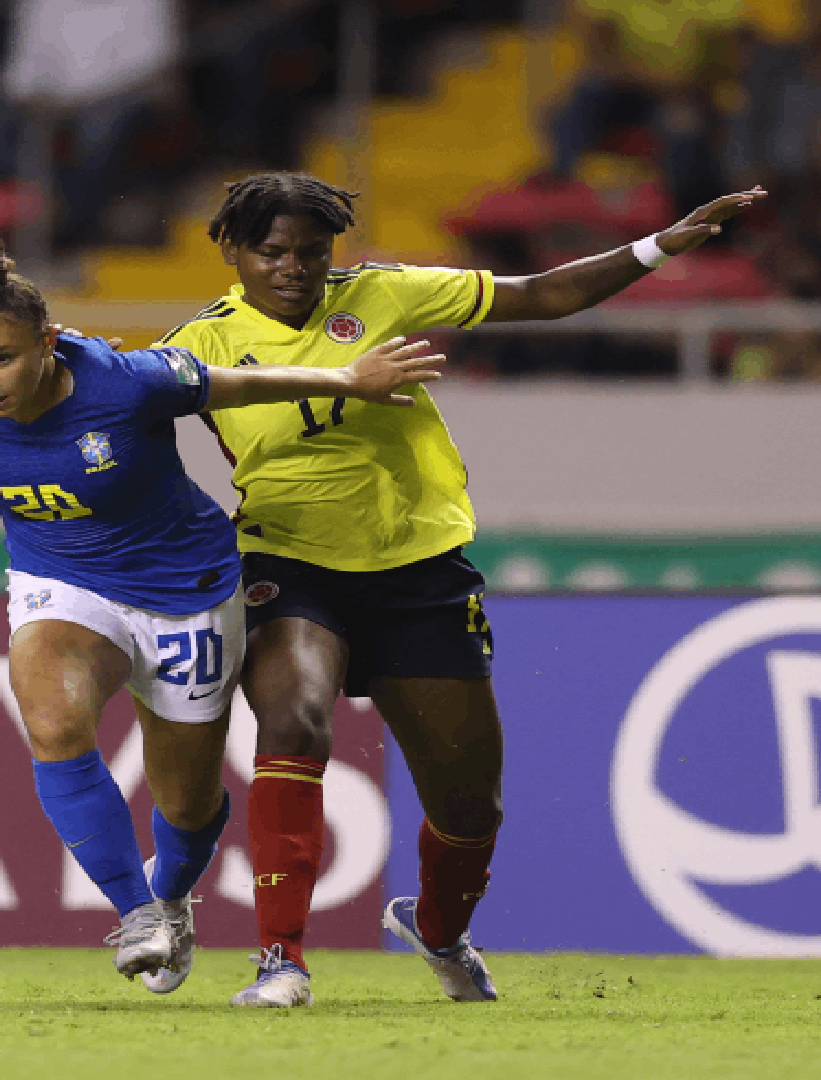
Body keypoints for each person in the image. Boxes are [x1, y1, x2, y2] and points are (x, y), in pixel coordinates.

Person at [154, 172, 765, 1007]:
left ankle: (437, 929)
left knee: (470, 806)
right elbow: (98, 418)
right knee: (293, 720)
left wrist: (659, 245)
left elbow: (542, 296)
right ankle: (281, 961)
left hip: (420, 569)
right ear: (230, 250)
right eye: (271, 252)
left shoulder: (386, 293)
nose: (293, 267)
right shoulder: (198, 347)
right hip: (288, 563)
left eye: (311, 251)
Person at [0, 226, 446, 991]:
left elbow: (237, 384)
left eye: (1, 358)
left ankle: (170, 900)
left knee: (189, 801)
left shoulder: (129, 382)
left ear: (49, 343)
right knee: (52, 719)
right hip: (61, 580)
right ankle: (134, 912)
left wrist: (344, 379)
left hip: (185, 592)